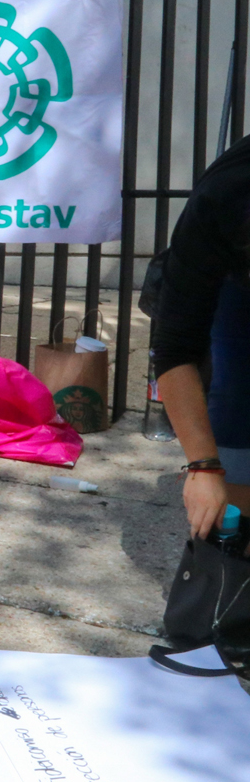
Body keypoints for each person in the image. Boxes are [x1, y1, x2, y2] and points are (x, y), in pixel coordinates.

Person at [151, 131, 250, 538]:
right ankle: (237, 537)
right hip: (235, 280)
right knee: (236, 389)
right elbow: (175, 346)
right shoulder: (224, 198)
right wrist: (204, 466)